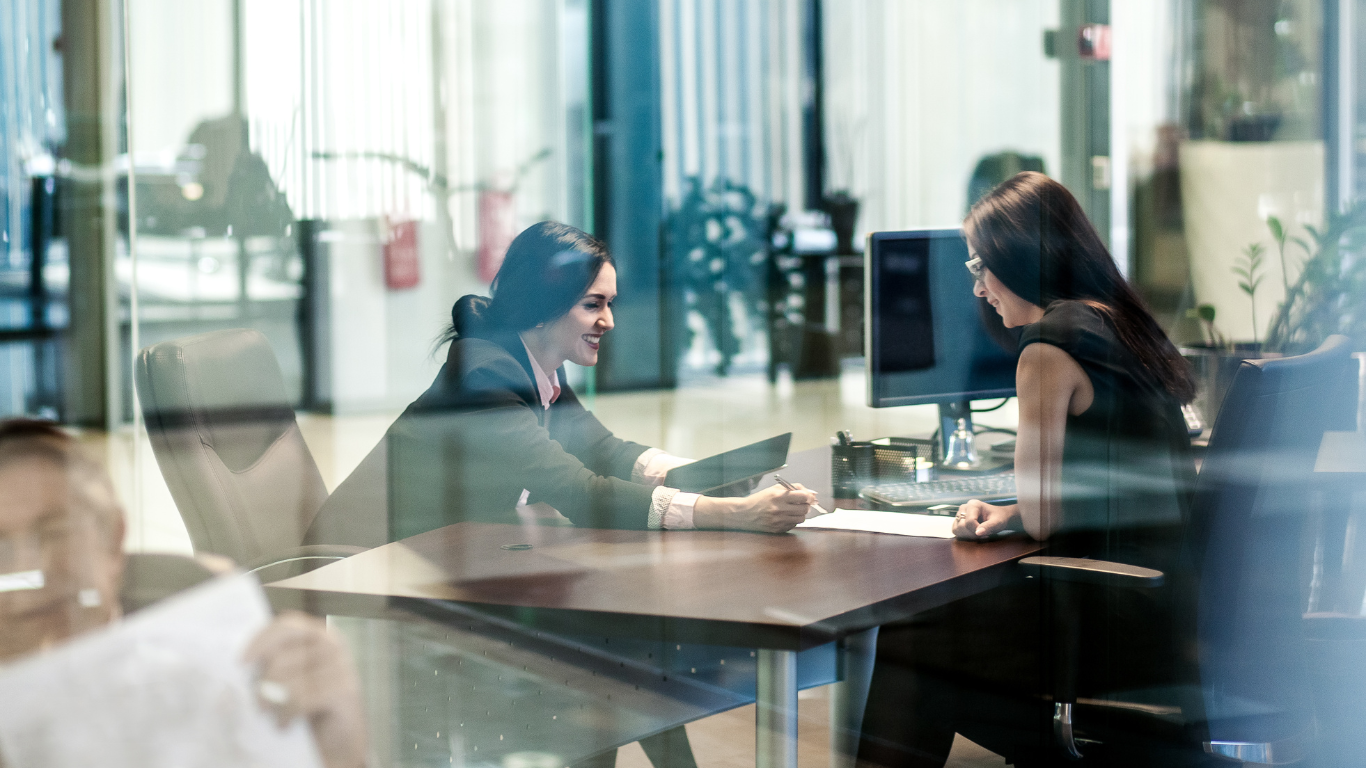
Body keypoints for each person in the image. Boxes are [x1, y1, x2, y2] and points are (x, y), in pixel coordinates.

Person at [856, 172, 1199, 767]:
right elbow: (1096, 492)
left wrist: (1024, 512)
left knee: (913, 637)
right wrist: (1012, 511)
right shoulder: (1118, 323)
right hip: (1167, 612)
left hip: (1112, 628)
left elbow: (1043, 522)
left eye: (979, 267)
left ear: (1019, 260)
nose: (979, 289)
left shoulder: (1047, 346)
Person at [0, 419, 367, 768]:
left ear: (112, 540)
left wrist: (337, 756)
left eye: (57, 531)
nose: (29, 567)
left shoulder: (219, 666)